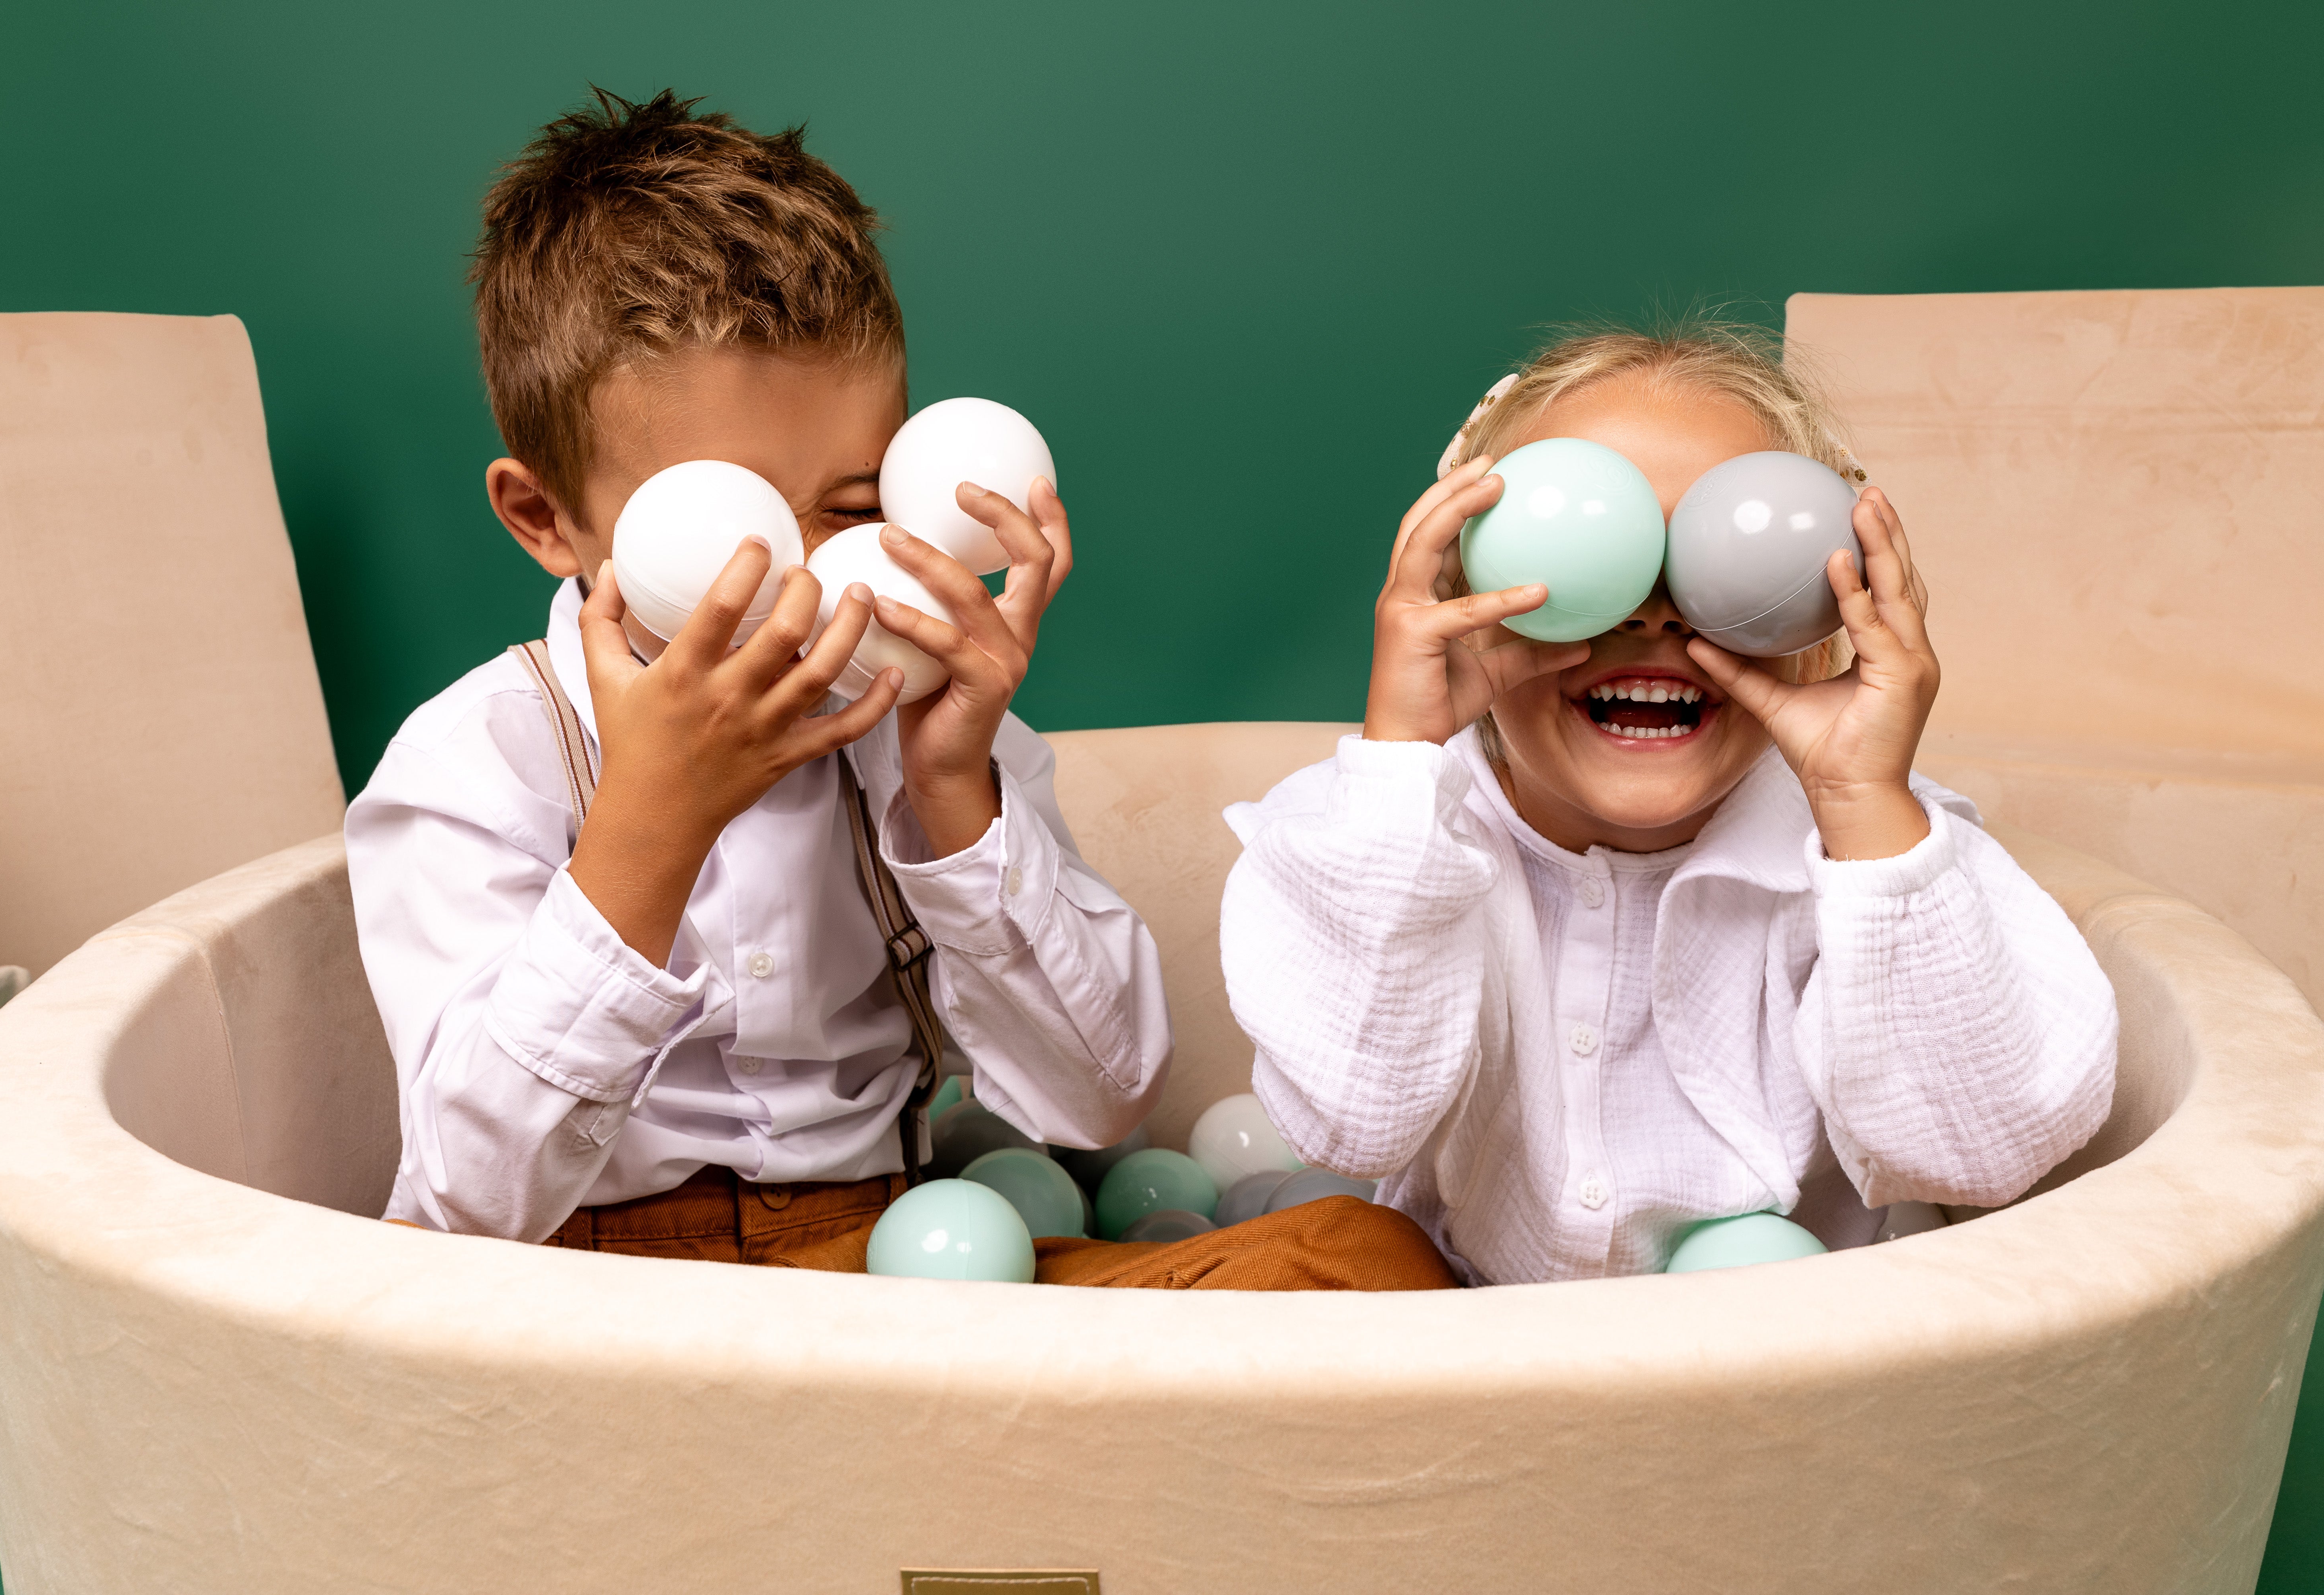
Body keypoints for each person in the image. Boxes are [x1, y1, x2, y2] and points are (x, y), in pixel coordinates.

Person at [346, 88, 1451, 1290]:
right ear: (548, 519)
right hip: (585, 1301)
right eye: (727, 525)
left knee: (1361, 1254)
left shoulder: (916, 733)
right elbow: (467, 1197)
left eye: (855, 507)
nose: (811, 575)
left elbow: (1099, 1101)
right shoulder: (480, 759)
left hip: (899, 1273)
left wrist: (951, 789)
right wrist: (648, 832)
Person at [1219, 322, 2118, 1285]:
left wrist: (1864, 803)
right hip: (1456, 1379)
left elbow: (1984, 1159)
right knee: (1307, 1261)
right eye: (1586, 559)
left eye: (1721, 560)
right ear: (1468, 587)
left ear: (1819, 620)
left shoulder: (1889, 855)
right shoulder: (1371, 825)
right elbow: (1353, 1121)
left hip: (1780, 1385)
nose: (1655, 614)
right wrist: (1403, 754)